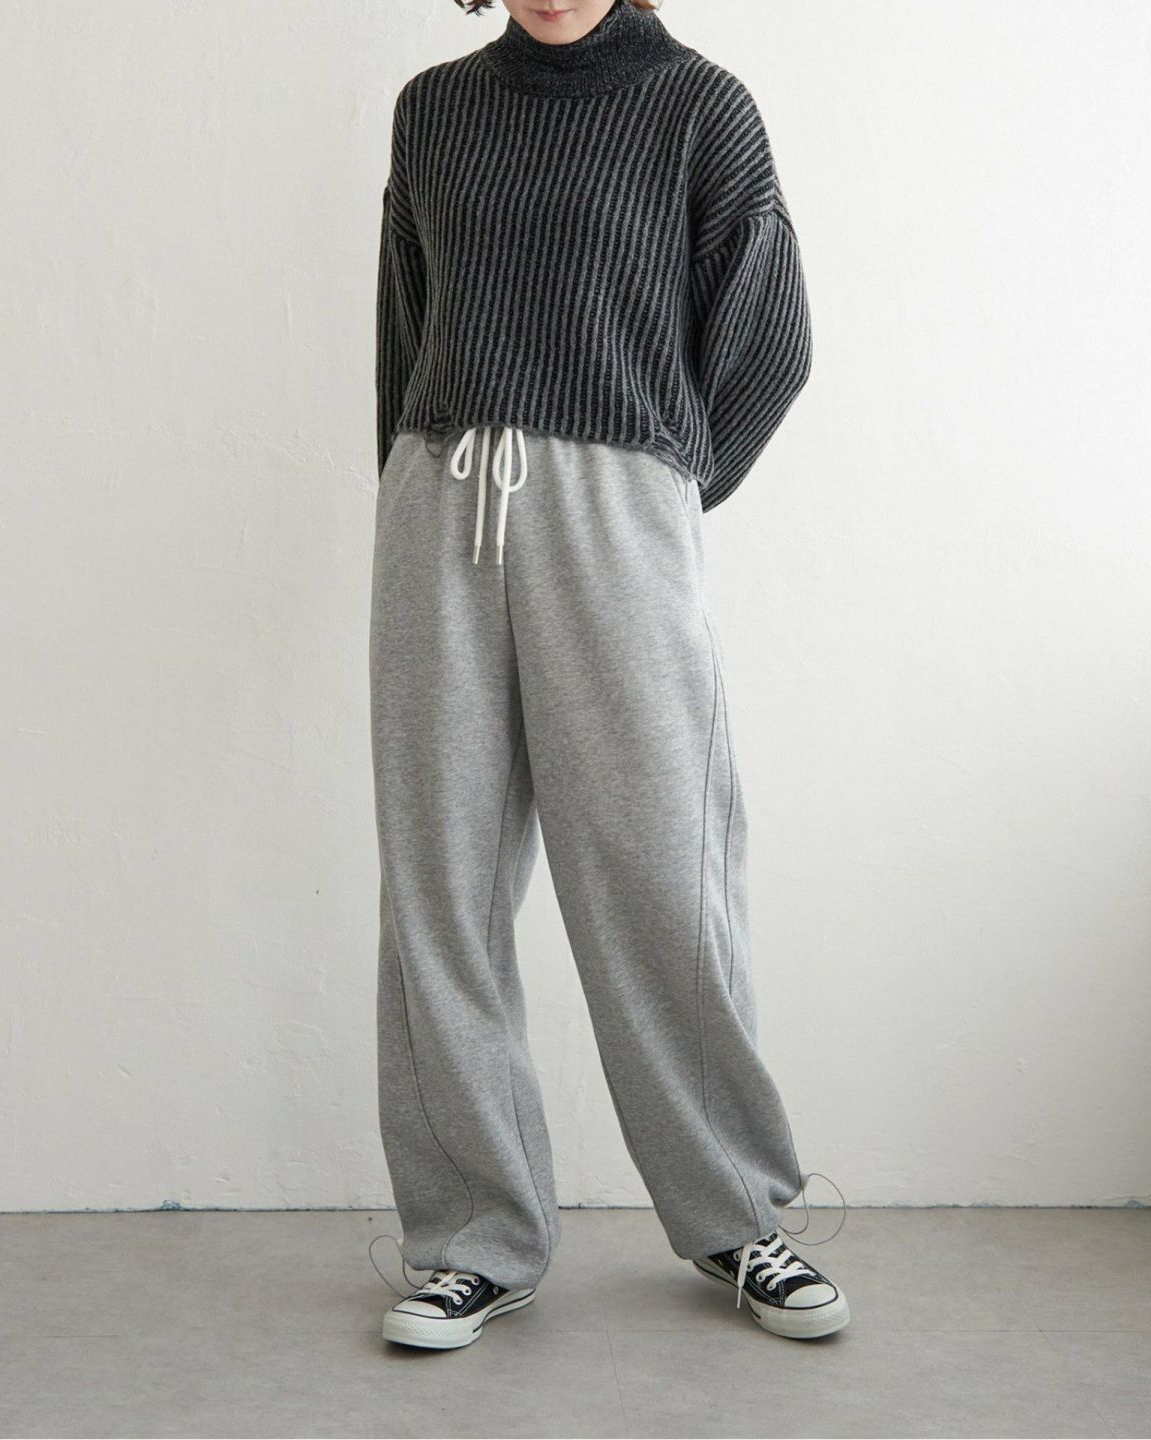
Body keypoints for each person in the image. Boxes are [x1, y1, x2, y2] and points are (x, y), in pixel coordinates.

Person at [370, 0, 848, 1350]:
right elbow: (403, 329)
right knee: (440, 881)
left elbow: (772, 340)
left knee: (660, 867)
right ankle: (473, 1240)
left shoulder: (698, 107)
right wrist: (407, 484)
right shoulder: (436, 108)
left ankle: (735, 1214)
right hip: (441, 495)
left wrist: (657, 481)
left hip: (617, 506)